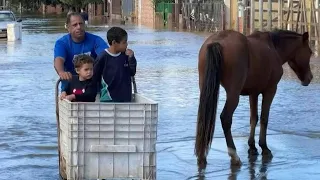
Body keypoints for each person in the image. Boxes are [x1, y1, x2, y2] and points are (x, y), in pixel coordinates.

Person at [54, 12, 109, 92]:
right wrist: (61, 72)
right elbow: (59, 59)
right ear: (68, 28)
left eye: (81, 24)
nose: (79, 27)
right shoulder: (62, 43)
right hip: (70, 88)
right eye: (75, 25)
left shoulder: (95, 40)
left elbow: (106, 55)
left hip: (93, 87)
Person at [92, 26, 137, 102]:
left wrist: (131, 58)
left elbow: (132, 72)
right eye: (124, 42)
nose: (127, 44)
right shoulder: (102, 57)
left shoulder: (126, 56)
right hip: (108, 99)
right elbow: (94, 77)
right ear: (114, 43)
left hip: (125, 99)